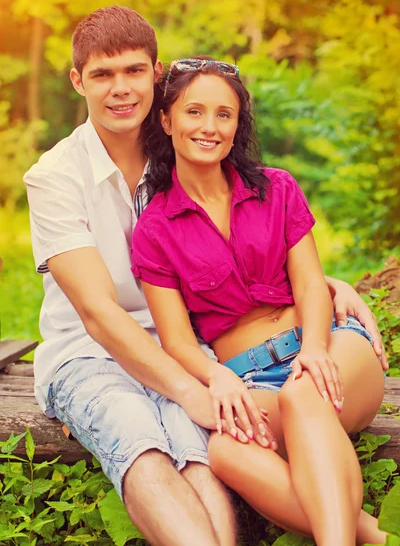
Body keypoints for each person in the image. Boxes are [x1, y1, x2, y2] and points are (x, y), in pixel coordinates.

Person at [23, 6, 386, 546]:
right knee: (147, 442)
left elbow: (254, 240)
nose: (121, 89)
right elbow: (100, 316)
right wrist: (195, 386)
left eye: (134, 72)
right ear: (78, 81)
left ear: (155, 75)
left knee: (204, 450)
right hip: (100, 352)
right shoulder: (57, 177)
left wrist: (328, 286)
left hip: (197, 352)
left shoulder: (181, 150)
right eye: (102, 74)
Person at [131, 57, 388, 546]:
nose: (209, 127)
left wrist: (313, 349)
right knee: (226, 453)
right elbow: (178, 342)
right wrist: (219, 377)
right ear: (166, 120)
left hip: (331, 348)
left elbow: (312, 285)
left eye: (224, 115)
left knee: (303, 391)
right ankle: (373, 536)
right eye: (194, 112)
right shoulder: (155, 229)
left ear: (236, 126)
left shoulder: (278, 189)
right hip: (252, 379)